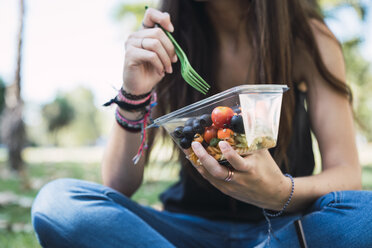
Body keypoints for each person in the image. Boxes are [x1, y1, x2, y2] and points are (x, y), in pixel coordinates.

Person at [31, 0, 372, 247]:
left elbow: (347, 176)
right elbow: (118, 185)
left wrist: (280, 192)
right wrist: (133, 94)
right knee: (57, 203)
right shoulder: (166, 42)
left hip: (286, 229)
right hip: (187, 231)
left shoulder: (308, 36)